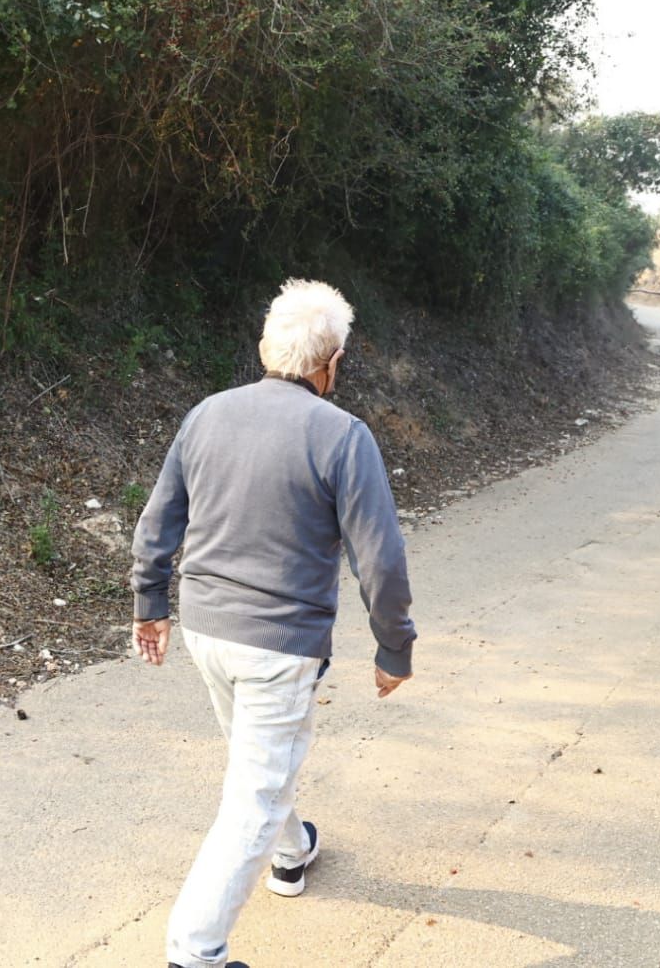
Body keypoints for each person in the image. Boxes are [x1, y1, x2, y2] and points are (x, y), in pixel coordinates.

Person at [130, 279, 417, 968]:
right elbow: (379, 557)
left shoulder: (206, 414)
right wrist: (394, 648)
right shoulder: (342, 435)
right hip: (276, 647)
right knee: (253, 791)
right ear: (333, 363)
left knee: (256, 760)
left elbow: (158, 521)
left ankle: (290, 855)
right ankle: (195, 953)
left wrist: (150, 603)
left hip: (205, 630)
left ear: (264, 347)